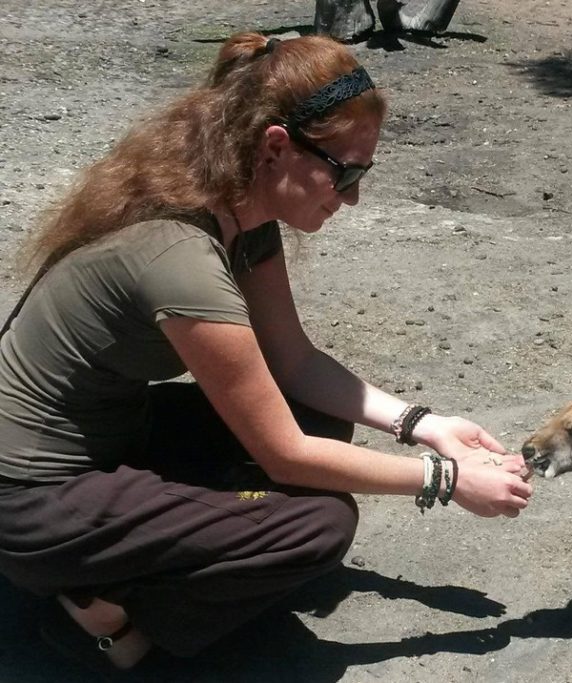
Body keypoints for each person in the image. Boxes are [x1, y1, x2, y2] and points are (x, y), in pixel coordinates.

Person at [0, 32, 532, 674]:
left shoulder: (238, 217)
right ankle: (101, 614)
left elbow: (295, 364)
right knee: (318, 525)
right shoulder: (177, 256)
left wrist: (424, 426)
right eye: (347, 172)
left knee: (318, 423)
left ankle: (139, 556)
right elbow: (284, 453)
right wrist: (445, 480)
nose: (354, 196)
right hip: (32, 500)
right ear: (277, 146)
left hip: (110, 438)